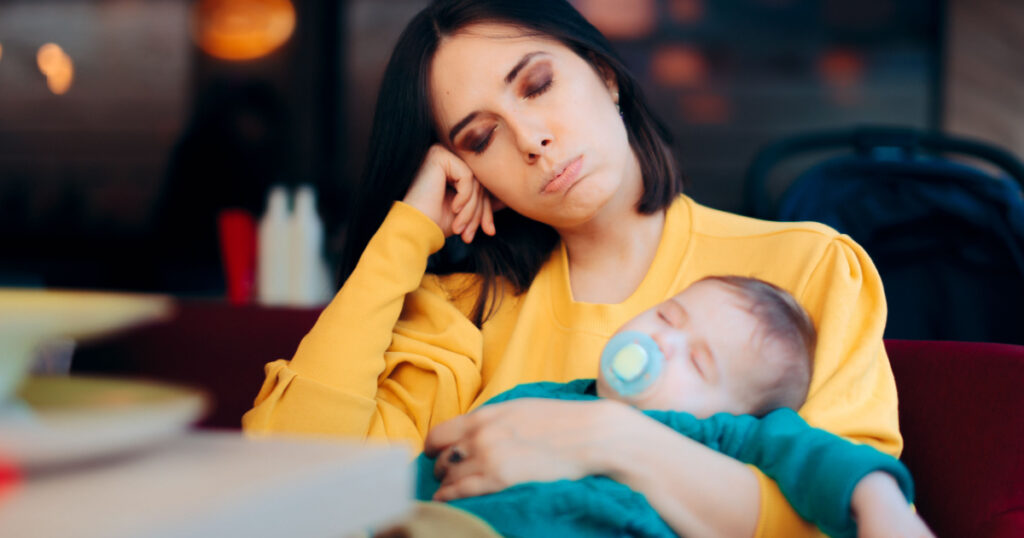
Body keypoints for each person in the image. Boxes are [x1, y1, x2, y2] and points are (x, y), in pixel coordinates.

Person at [243, 1, 904, 535]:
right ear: (471, 175)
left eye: (537, 85)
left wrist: (606, 436)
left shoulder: (806, 268)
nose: (531, 140)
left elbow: (842, 518)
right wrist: (403, 239)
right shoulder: (461, 314)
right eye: (481, 137)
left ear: (605, 73)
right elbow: (291, 486)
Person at [414, 276, 931, 537]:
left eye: (699, 363)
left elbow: (821, 457)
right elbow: (432, 466)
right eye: (667, 317)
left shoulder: (722, 439)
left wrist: (881, 506)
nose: (662, 344)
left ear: (735, 412)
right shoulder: (539, 399)